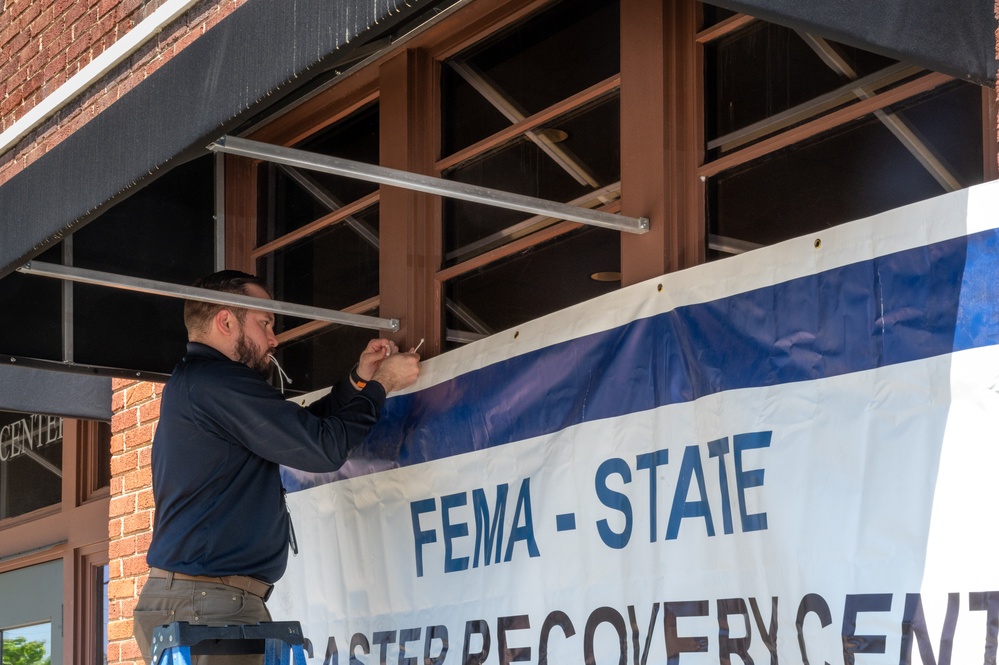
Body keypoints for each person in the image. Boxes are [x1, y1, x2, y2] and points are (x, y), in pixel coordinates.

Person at [132, 270, 421, 663]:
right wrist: (382, 384)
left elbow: (300, 431)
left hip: (205, 602)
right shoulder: (215, 382)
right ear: (226, 321)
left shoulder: (202, 385)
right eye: (265, 323)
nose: (274, 339)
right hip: (208, 607)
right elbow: (322, 448)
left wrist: (358, 382)